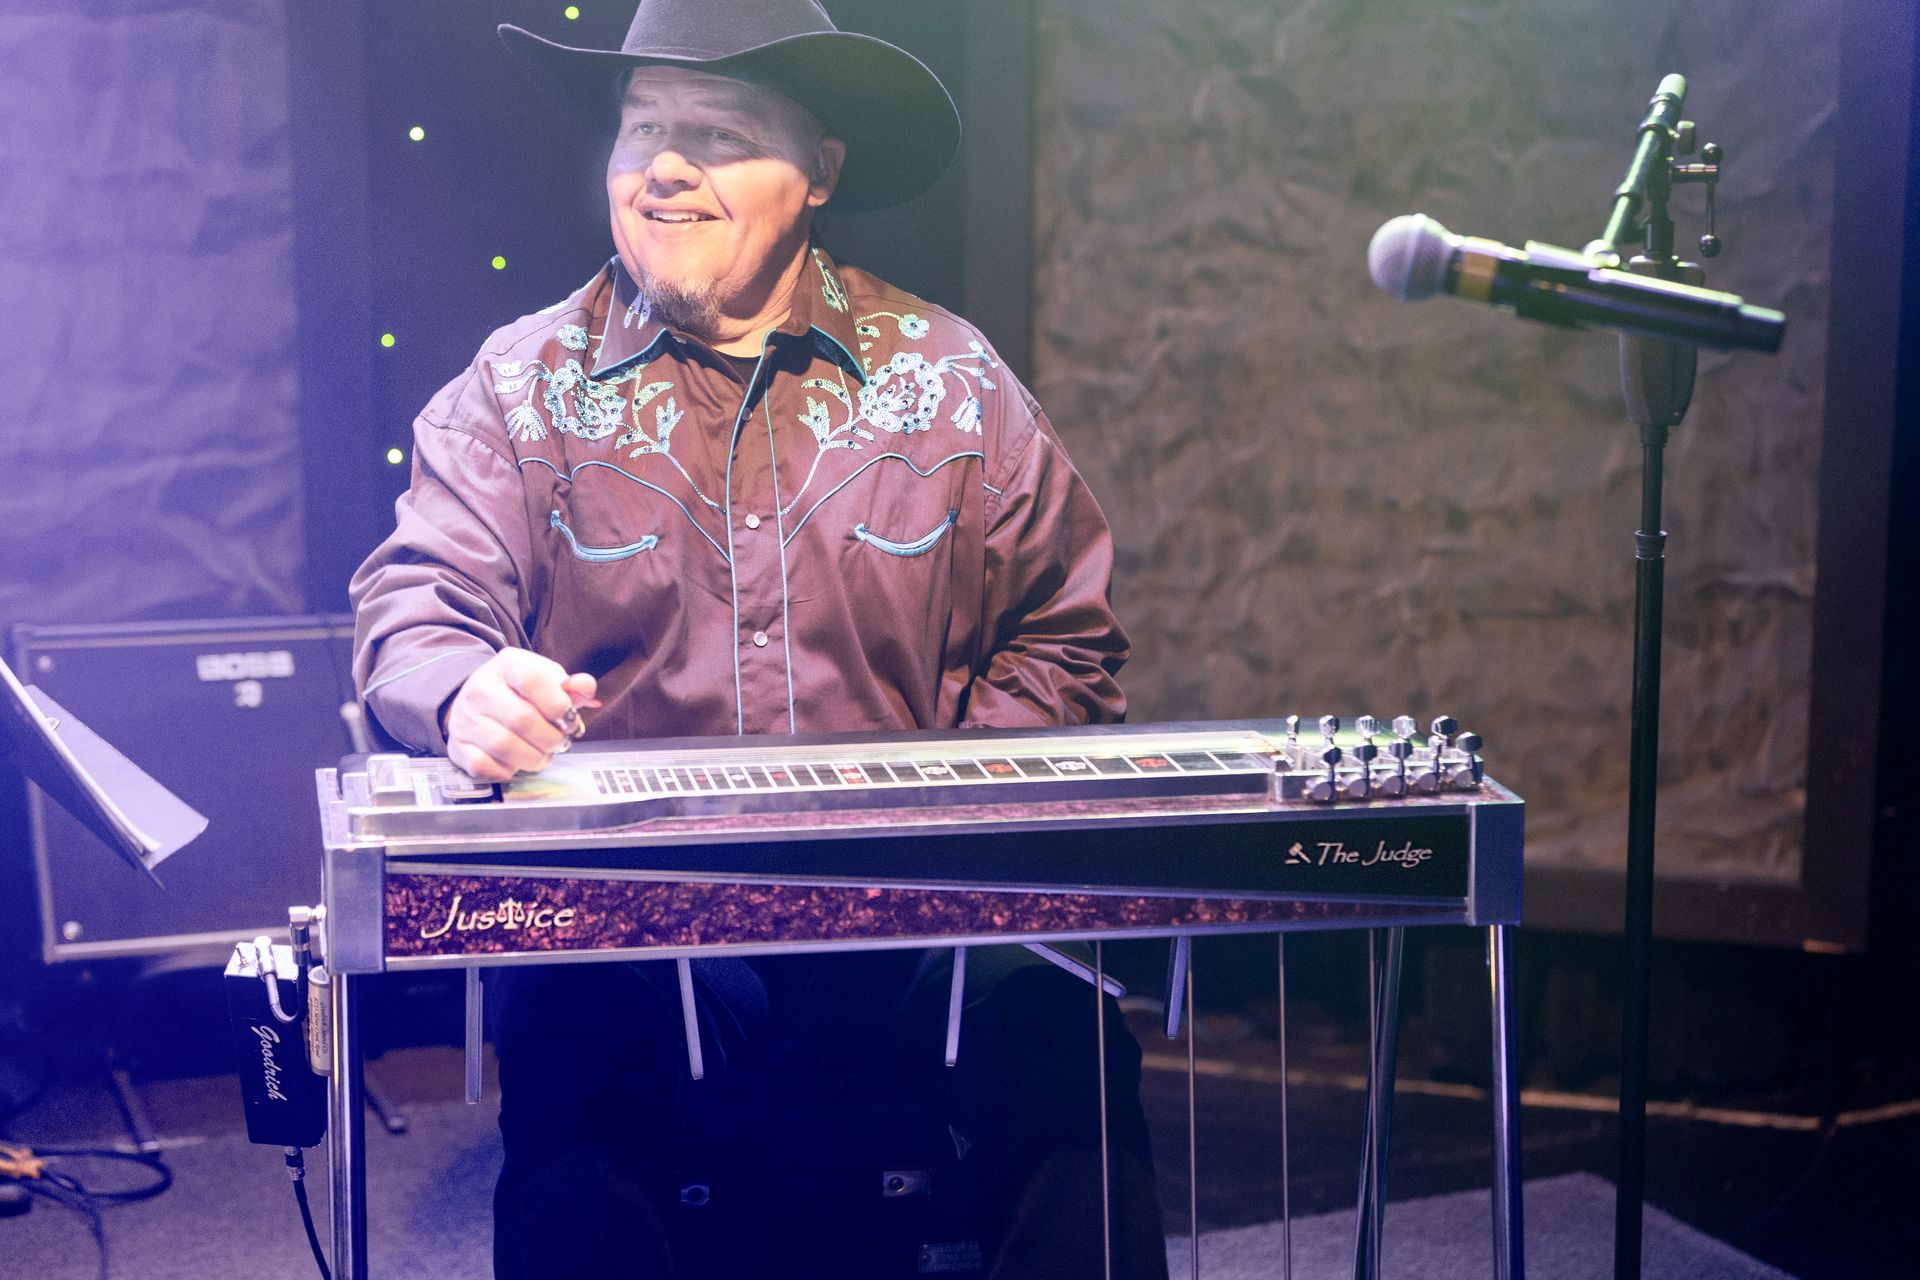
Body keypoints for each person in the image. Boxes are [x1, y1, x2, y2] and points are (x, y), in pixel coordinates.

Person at [351, 1, 1167, 1275]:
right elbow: (417, 604)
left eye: (716, 132)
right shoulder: (519, 386)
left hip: (917, 918)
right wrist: (466, 690)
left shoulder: (951, 381)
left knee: (1057, 1032)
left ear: (819, 171)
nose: (665, 165)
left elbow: (1065, 638)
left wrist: (950, 819)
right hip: (641, 926)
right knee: (572, 1026)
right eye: (643, 131)